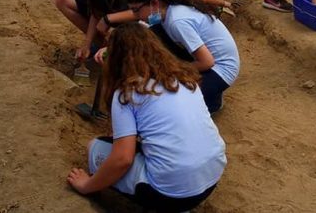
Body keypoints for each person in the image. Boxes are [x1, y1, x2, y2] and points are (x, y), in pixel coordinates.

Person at [67, 23, 226, 211]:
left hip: (170, 195)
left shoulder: (127, 93)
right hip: (211, 178)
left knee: (95, 148)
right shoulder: (184, 78)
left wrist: (86, 185)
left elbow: (123, 159)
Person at [124, 0, 240, 113]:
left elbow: (207, 62)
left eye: (136, 10)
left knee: (170, 99)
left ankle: (210, 98)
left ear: (154, 3)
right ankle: (209, 98)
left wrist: (172, 71)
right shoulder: (168, 10)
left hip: (221, 70)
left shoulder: (177, 21)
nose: (136, 16)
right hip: (212, 61)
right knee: (154, 35)